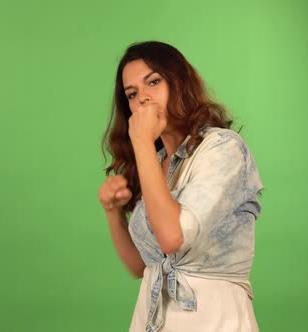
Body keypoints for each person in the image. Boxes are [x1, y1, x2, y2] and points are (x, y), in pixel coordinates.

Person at [98, 41, 263, 332]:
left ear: (180, 83)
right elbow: (140, 266)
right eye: (132, 94)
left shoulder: (223, 148)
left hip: (211, 317)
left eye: (154, 82)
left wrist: (141, 143)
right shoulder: (155, 162)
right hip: (152, 317)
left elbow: (173, 237)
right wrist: (112, 212)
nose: (143, 99)